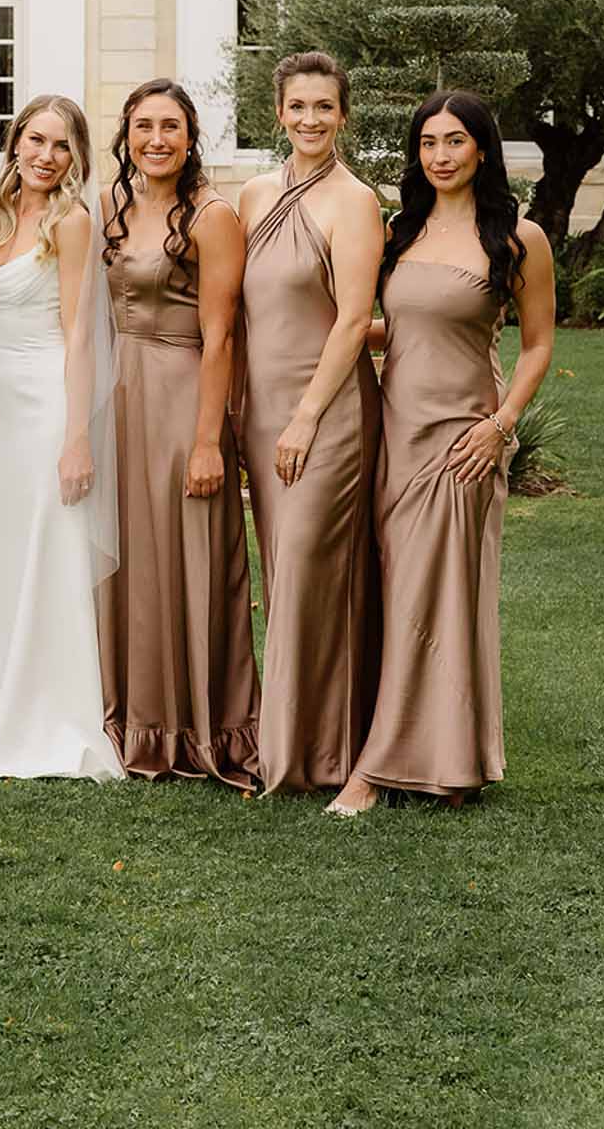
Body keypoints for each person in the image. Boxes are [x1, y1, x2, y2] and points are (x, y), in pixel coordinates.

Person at [329, 92, 555, 815]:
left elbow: (541, 343)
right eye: (428, 143)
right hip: (396, 431)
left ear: (482, 149)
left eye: (455, 141)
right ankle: (448, 760)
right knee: (401, 590)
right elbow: (395, 328)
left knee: (443, 593)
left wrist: (503, 425)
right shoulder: (403, 229)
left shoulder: (518, 237)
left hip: (465, 437)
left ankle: (376, 771)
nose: (441, 155)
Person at [0, 95, 123, 781]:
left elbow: (80, 333)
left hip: (48, 404)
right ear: (15, 141)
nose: (46, 156)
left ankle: (47, 714)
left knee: (47, 553)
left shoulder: (73, 223)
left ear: (76, 157)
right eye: (36, 140)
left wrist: (76, 435)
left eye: (61, 146)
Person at [99, 80, 260, 787]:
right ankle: (128, 717)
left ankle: (196, 724)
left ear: (191, 136)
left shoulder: (213, 216)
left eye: (170, 126)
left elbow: (222, 334)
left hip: (181, 395)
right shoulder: (108, 207)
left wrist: (206, 441)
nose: (156, 139)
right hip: (117, 398)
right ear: (126, 134)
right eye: (143, 126)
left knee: (186, 557)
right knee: (126, 560)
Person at [238, 50, 384, 795]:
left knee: (305, 570)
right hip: (261, 413)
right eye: (298, 106)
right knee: (283, 569)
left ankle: (314, 753)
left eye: (324, 107)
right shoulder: (255, 194)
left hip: (323, 413)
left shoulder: (356, 201)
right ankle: (301, 740)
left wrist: (303, 419)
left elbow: (356, 317)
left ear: (344, 115)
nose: (310, 120)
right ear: (279, 112)